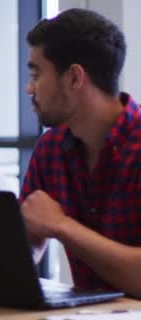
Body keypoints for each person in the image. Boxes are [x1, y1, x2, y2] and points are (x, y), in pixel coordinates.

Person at [20, 8, 141, 296]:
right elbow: (28, 242)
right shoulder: (50, 150)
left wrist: (62, 226)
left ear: (74, 78)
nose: (29, 88)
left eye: (36, 74)